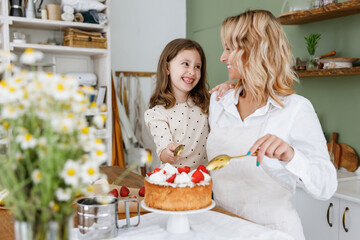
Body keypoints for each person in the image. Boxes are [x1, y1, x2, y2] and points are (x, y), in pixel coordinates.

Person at [206, 10, 337, 240]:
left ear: (254, 49)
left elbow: (327, 186)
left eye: (229, 48)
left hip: (273, 233)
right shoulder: (219, 102)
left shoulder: (296, 108)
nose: (222, 57)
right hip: (222, 229)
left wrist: (291, 155)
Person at [144, 38, 210, 170]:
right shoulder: (156, 113)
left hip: (203, 182)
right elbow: (163, 151)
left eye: (197, 66)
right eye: (186, 64)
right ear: (167, 67)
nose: (192, 71)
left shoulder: (207, 103)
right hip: (173, 182)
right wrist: (168, 153)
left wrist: (227, 85)